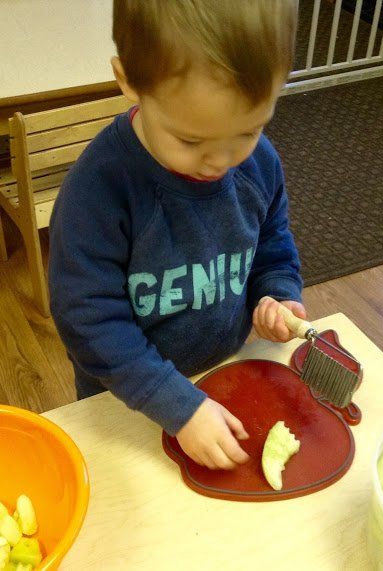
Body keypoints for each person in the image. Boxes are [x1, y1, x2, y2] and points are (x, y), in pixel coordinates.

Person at [49, 0, 306, 471]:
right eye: (190, 140)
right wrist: (176, 405)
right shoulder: (100, 188)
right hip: (127, 398)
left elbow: (273, 243)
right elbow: (87, 319)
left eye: (247, 131)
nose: (220, 162)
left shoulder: (259, 164)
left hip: (221, 375)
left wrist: (277, 294)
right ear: (129, 81)